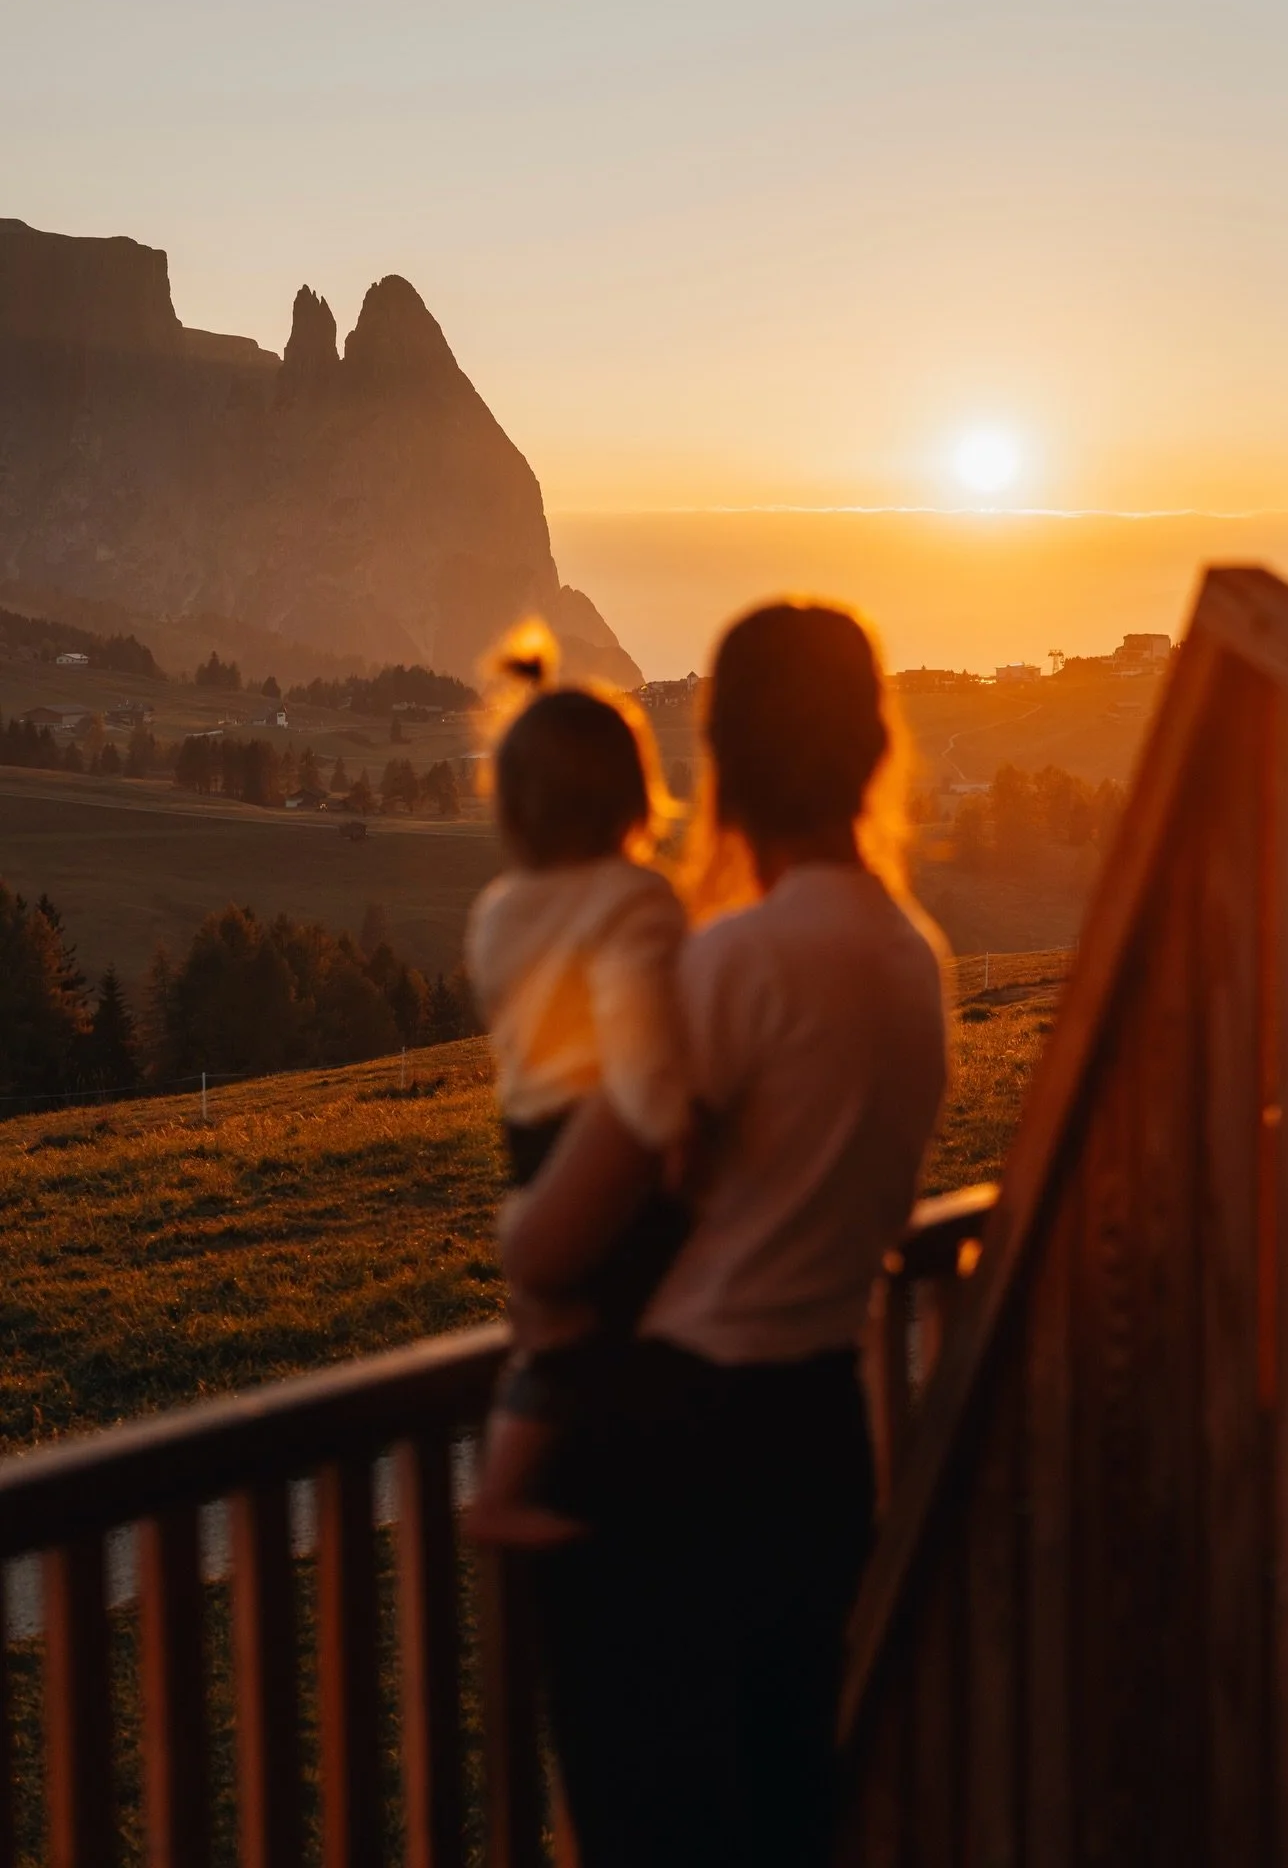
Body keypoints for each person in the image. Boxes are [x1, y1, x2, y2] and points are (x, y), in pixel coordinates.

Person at [501, 602, 950, 1867]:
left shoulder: (733, 966)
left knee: (653, 1823)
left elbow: (551, 1244)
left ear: (729, 759)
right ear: (872, 751)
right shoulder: (913, 960)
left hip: (676, 1459)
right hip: (819, 1446)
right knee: (787, 1817)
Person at [462, 682, 690, 1545]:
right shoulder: (636, 901)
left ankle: (506, 1486)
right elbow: (644, 1073)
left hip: (527, 1137)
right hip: (606, 1147)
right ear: (632, 794)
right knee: (610, 1323)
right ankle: (527, 1504)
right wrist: (678, 1142)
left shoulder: (497, 912)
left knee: (553, 1334)